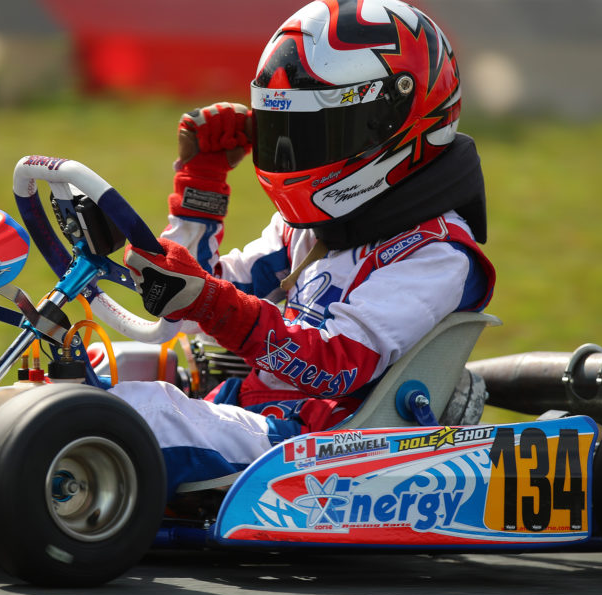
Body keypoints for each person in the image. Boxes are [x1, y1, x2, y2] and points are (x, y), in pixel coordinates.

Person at [113, 0, 495, 499]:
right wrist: (201, 186)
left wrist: (208, 302)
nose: (293, 153)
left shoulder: (434, 254)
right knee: (100, 368)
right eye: (285, 131)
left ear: (395, 122)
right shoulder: (319, 229)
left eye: (318, 132)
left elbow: (336, 363)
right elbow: (192, 308)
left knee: (138, 414)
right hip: (256, 413)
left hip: (324, 451)